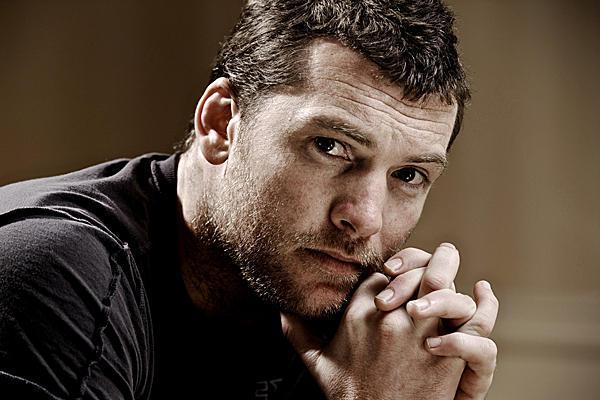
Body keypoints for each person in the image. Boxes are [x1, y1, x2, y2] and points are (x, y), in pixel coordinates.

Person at [0, 0, 499, 399]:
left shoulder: (348, 326)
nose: (365, 218)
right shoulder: (52, 273)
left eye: (408, 175)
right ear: (221, 124)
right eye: (329, 146)